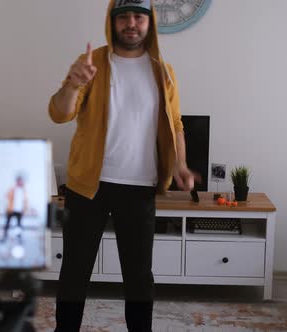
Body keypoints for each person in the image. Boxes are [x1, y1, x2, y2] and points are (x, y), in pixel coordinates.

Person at [48, 1, 196, 331]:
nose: (131, 23)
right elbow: (59, 113)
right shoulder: (91, 64)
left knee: (139, 275)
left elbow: (176, 123)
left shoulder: (163, 72)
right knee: (75, 270)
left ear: (149, 22)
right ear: (113, 21)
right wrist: (72, 83)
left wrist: (181, 165)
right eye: (124, 16)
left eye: (138, 16)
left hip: (140, 187)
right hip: (88, 185)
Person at [1, 175, 29, 243]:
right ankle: (4, 237)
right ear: (17, 181)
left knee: (19, 225)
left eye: (21, 181)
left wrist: (25, 209)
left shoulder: (24, 190)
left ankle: (19, 238)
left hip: (19, 210)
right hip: (11, 209)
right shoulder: (13, 188)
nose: (20, 182)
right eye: (19, 181)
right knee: (7, 224)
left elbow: (25, 201)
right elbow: (6, 195)